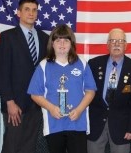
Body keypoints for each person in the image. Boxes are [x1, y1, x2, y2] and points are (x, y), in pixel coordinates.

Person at [28, 24, 96, 153]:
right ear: (52, 43)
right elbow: (35, 94)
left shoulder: (82, 63)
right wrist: (51, 108)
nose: (62, 44)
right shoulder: (43, 65)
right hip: (54, 123)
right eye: (58, 40)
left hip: (77, 122)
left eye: (66, 40)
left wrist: (80, 110)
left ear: (72, 43)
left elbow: (90, 91)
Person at [0, 0, 49, 153]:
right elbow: (2, 72)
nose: (31, 13)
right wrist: (9, 101)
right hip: (15, 104)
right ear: (19, 13)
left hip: (37, 104)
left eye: (34, 10)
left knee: (29, 147)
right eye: (27, 9)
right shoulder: (7, 37)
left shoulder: (44, 38)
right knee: (12, 146)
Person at [87, 28, 131, 153]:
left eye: (120, 41)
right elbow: (86, 95)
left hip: (122, 128)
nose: (116, 44)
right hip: (95, 125)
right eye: (113, 41)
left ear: (126, 45)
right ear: (107, 44)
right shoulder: (93, 64)